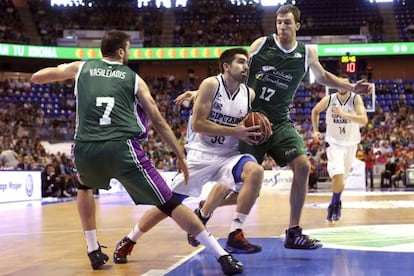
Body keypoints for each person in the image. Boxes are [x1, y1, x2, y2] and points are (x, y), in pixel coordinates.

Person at [31, 30, 242, 275]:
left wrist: (63, 72)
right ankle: (222, 255)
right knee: (170, 203)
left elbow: (37, 78)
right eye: (129, 49)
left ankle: (92, 249)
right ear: (121, 51)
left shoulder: (82, 68)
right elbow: (159, 120)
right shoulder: (133, 78)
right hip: (122, 149)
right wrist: (180, 156)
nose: (129, 53)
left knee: (83, 186)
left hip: (85, 148)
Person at [176, 4, 371, 250]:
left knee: (303, 167)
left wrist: (351, 86)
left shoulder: (307, 52)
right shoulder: (261, 45)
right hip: (251, 120)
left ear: (297, 26)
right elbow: (236, 73)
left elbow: (322, 76)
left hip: (279, 122)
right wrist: (201, 90)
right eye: (279, 22)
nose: (282, 26)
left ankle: (293, 231)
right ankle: (204, 212)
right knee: (234, 179)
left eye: (287, 22)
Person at [112, 48, 265, 264]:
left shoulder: (249, 94)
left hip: (228, 156)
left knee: (256, 173)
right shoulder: (211, 84)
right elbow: (199, 124)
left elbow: (247, 123)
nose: (246, 67)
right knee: (167, 205)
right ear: (226, 66)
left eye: (247, 63)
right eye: (241, 62)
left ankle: (235, 233)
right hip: (200, 156)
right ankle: (130, 239)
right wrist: (235, 130)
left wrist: (250, 133)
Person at [311, 74, 368, 222]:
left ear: (349, 85)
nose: (341, 86)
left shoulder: (356, 99)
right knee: (338, 175)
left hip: (351, 144)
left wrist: (344, 114)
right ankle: (334, 205)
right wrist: (316, 130)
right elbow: (315, 111)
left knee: (342, 180)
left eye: (345, 83)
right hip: (334, 143)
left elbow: (363, 120)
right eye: (339, 83)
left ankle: (336, 200)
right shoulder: (329, 99)